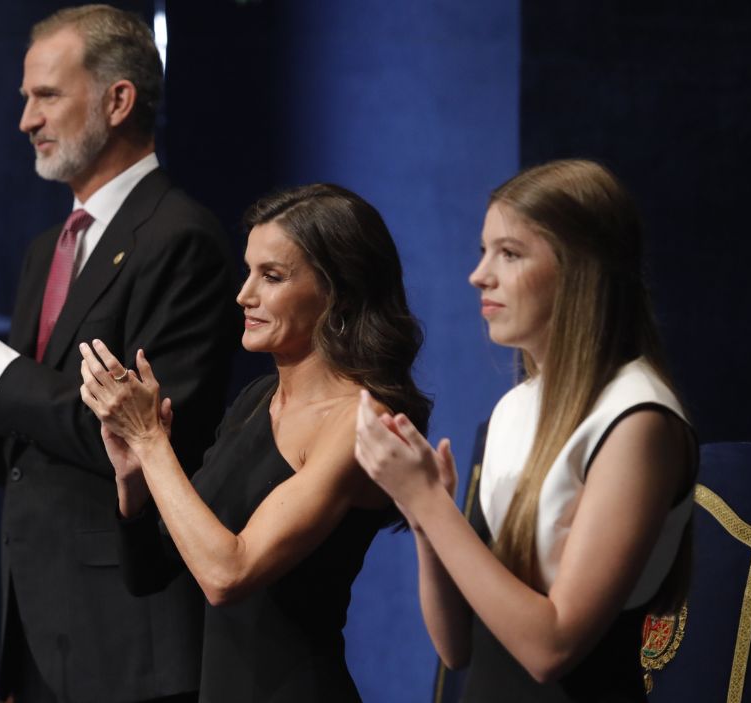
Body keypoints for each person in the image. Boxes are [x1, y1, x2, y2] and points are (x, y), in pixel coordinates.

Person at [0, 5, 236, 701]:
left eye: (46, 96)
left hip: (129, 640)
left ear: (118, 99)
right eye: (24, 100)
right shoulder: (51, 247)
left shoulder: (179, 240)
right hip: (42, 631)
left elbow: (126, 439)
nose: (26, 121)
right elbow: (23, 461)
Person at [354, 159, 696, 701]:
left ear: (580, 268)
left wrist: (428, 502)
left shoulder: (637, 420)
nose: (479, 274)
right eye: (483, 250)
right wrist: (425, 518)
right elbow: (458, 646)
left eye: (509, 253)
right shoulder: (512, 412)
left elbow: (550, 649)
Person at [78, 183, 432, 702]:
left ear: (338, 291)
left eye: (272, 277)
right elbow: (152, 571)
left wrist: (152, 439)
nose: (244, 295)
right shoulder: (257, 399)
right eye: (249, 272)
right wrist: (133, 475)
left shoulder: (360, 422)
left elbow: (228, 574)